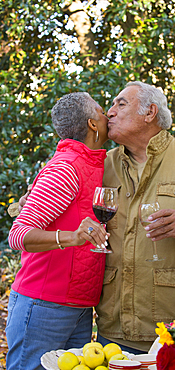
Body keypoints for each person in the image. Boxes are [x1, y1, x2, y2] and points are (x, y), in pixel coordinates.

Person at [17, 82, 175, 354]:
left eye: (120, 104)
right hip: (114, 332)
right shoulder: (101, 163)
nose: (109, 113)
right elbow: (56, 200)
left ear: (150, 112)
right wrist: (26, 203)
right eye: (109, 106)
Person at [6, 92, 110, 370]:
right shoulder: (65, 169)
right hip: (43, 305)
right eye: (102, 111)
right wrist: (72, 237)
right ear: (92, 124)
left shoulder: (97, 164)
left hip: (79, 305)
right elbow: (18, 235)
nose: (108, 115)